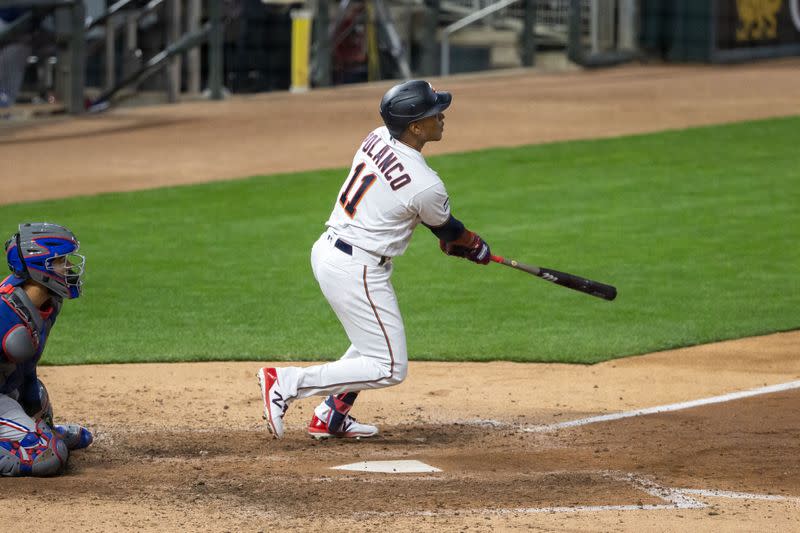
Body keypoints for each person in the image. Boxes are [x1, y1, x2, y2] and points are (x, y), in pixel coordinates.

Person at [257, 80, 491, 440]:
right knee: (389, 366)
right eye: (434, 112)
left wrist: (454, 241)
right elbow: (447, 230)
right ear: (415, 127)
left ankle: (332, 414)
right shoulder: (426, 184)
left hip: (330, 250)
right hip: (357, 268)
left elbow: (419, 216)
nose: (442, 116)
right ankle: (286, 382)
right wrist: (473, 246)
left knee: (372, 343)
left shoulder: (378, 137)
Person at [0, 223, 93, 476]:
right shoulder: (4, 314)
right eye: (61, 261)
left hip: (5, 391)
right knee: (48, 456)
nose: (70, 268)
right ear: (41, 267)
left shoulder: (47, 302)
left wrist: (36, 417)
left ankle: (28, 429)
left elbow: (27, 366)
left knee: (39, 398)